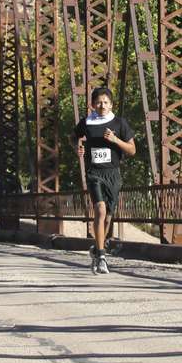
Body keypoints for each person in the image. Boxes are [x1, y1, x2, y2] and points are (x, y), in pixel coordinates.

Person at [74, 87, 135, 274]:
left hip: (113, 174)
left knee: (108, 215)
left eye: (106, 102)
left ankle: (96, 247)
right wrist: (79, 148)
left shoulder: (119, 123)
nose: (102, 105)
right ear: (92, 104)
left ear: (111, 104)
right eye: (99, 102)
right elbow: (74, 138)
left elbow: (132, 150)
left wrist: (116, 140)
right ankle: (101, 256)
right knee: (99, 209)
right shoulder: (86, 123)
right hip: (94, 173)